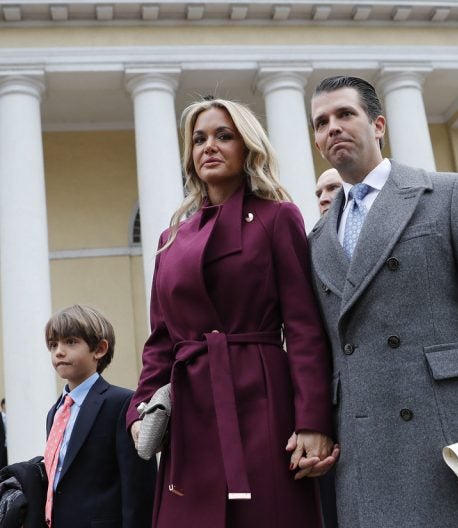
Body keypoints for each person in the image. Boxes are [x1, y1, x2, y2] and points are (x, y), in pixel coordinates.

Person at [307, 75, 458, 528]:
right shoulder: (318, 238)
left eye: (345, 114)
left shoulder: (448, 195)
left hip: (454, 437)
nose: (332, 128)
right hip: (365, 452)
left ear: (378, 124)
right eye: (321, 122)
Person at [127, 97, 337, 527]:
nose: (209, 146)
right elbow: (161, 342)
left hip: (263, 401)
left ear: (247, 149)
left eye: (224, 136)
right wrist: (140, 410)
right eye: (199, 139)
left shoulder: (278, 218)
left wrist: (312, 420)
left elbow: (303, 328)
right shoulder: (170, 238)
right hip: (190, 414)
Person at [44, 304, 156, 527]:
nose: (59, 351)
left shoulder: (123, 404)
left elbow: (139, 486)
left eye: (71, 341)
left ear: (99, 349)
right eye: (53, 344)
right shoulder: (55, 412)